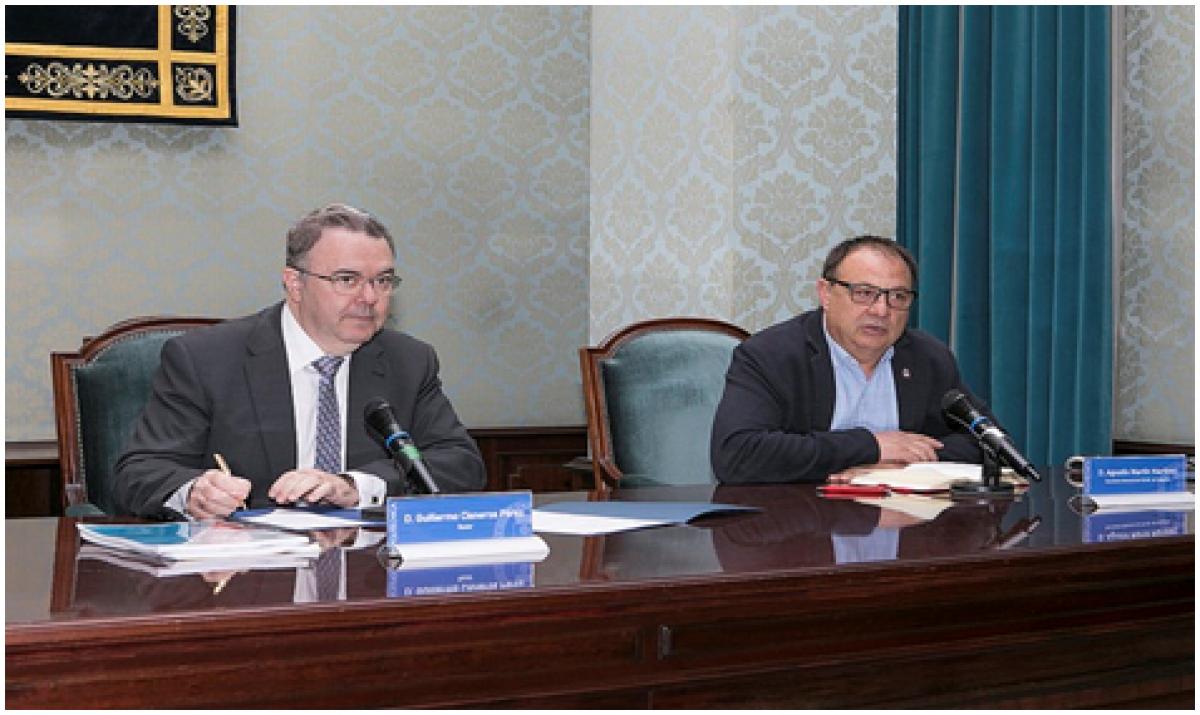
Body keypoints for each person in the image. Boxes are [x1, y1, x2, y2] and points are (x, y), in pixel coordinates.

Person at [114, 203, 485, 519]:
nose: (369, 298)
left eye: (383, 281)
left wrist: (356, 486)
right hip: (246, 577)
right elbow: (139, 472)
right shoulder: (206, 359)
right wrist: (194, 491)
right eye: (347, 279)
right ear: (295, 283)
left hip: (368, 572)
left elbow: (460, 463)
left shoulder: (409, 361)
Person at [711, 235, 993, 484]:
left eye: (898, 296)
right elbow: (737, 454)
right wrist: (871, 447)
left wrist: (896, 467)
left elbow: (989, 443)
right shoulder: (771, 355)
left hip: (903, 531)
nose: (881, 310)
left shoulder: (927, 358)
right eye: (864, 293)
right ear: (826, 294)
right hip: (801, 530)